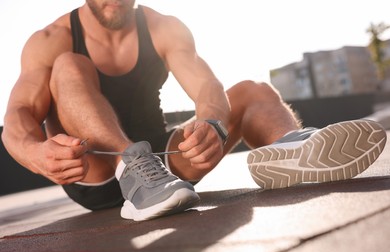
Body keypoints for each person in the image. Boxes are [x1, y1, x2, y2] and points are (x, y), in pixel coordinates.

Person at [2, 0, 386, 221]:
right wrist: (35, 152)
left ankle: (289, 147)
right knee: (71, 65)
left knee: (253, 91)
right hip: (96, 169)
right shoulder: (51, 40)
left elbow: (206, 86)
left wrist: (212, 123)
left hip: (164, 167)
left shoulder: (163, 27)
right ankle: (131, 171)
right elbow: (17, 114)